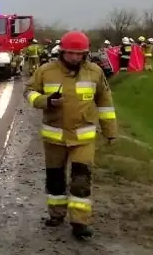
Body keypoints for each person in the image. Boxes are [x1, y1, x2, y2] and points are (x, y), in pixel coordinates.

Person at [25, 30, 117, 240]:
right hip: (54, 138)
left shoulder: (94, 72)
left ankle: (79, 222)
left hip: (83, 138)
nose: (75, 57)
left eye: (80, 54)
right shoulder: (46, 71)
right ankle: (56, 215)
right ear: (62, 52)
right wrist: (46, 101)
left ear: (85, 53)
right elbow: (29, 92)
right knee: (55, 179)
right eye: (71, 54)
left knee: (81, 180)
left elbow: (105, 103)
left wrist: (110, 131)